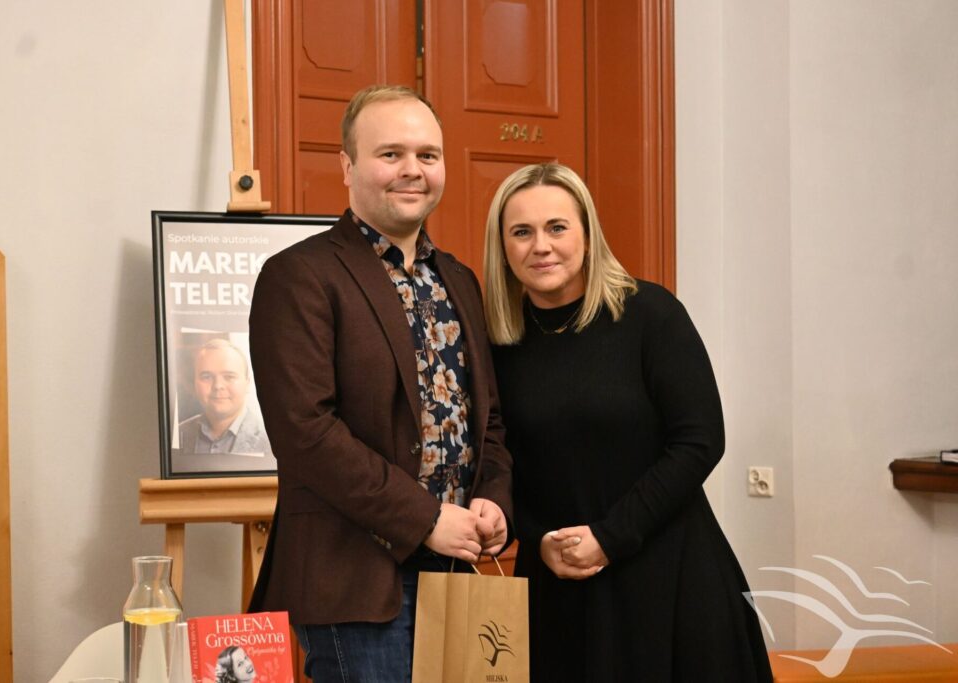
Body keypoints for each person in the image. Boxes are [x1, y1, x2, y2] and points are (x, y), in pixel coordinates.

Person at [247, 85, 512, 682]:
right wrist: (425, 518)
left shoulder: (459, 280)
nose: (412, 170)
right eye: (390, 154)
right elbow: (306, 433)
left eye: (427, 155)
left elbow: (488, 418)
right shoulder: (298, 276)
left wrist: (495, 498)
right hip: (356, 584)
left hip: (457, 573)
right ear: (347, 166)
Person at [483, 163, 772, 682]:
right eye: (521, 232)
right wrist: (537, 536)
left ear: (588, 235)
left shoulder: (650, 314)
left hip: (668, 575)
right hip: (559, 586)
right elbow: (498, 457)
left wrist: (611, 536)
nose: (541, 246)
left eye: (557, 227)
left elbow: (700, 440)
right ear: (502, 248)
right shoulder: (498, 343)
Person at [178, 338, 271, 456]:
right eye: (206, 377)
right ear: (194, 383)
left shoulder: (272, 438)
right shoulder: (178, 433)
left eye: (229, 377)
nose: (218, 386)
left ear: (247, 383)